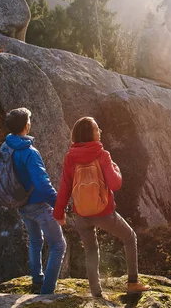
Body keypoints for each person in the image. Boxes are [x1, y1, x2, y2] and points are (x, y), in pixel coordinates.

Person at [53, 116, 150, 297]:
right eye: (97, 129)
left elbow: (65, 187)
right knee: (130, 237)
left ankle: (96, 292)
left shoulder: (70, 157)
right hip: (104, 213)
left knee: (91, 250)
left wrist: (59, 213)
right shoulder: (102, 154)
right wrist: (116, 169)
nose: (100, 132)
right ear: (90, 134)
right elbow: (115, 184)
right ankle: (132, 282)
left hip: (81, 214)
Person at [4, 107, 66, 294]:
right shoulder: (29, 152)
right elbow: (43, 184)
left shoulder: (8, 146)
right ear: (26, 125)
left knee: (35, 241)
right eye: (29, 119)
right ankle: (47, 292)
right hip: (38, 205)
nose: (30, 122)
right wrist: (59, 207)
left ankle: (37, 280)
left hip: (21, 203)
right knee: (58, 245)